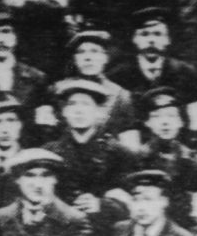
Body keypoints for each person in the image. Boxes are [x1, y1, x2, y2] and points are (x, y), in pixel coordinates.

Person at [42, 77, 138, 225]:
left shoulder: (120, 154)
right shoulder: (49, 153)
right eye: (72, 104)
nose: (78, 111)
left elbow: (133, 203)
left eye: (86, 104)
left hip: (105, 230)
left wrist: (102, 205)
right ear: (64, 112)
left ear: (99, 112)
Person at [108, 7, 197, 122]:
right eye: (144, 34)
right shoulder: (118, 76)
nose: (151, 40)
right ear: (134, 39)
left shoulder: (186, 73)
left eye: (158, 34)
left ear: (168, 39)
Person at [131, 87, 197, 227]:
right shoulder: (136, 159)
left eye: (171, 115)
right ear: (147, 123)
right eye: (157, 116)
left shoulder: (196, 162)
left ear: (181, 121)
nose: (165, 122)